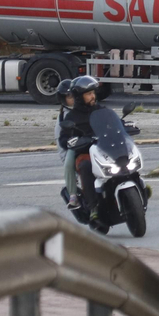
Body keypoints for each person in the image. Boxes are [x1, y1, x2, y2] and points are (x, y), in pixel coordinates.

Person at [58, 75, 105, 213]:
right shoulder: (71, 116)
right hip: (83, 150)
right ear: (79, 97)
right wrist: (70, 141)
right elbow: (63, 138)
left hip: (103, 147)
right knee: (83, 166)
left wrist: (123, 126)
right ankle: (90, 205)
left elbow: (112, 122)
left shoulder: (100, 109)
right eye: (89, 94)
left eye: (93, 93)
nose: (93, 96)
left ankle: (137, 185)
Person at [54, 79, 80, 211]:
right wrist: (70, 143)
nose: (73, 99)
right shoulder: (63, 118)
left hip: (90, 143)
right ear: (63, 99)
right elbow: (62, 143)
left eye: (74, 95)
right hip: (73, 147)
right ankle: (73, 195)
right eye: (69, 96)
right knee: (69, 161)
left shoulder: (85, 108)